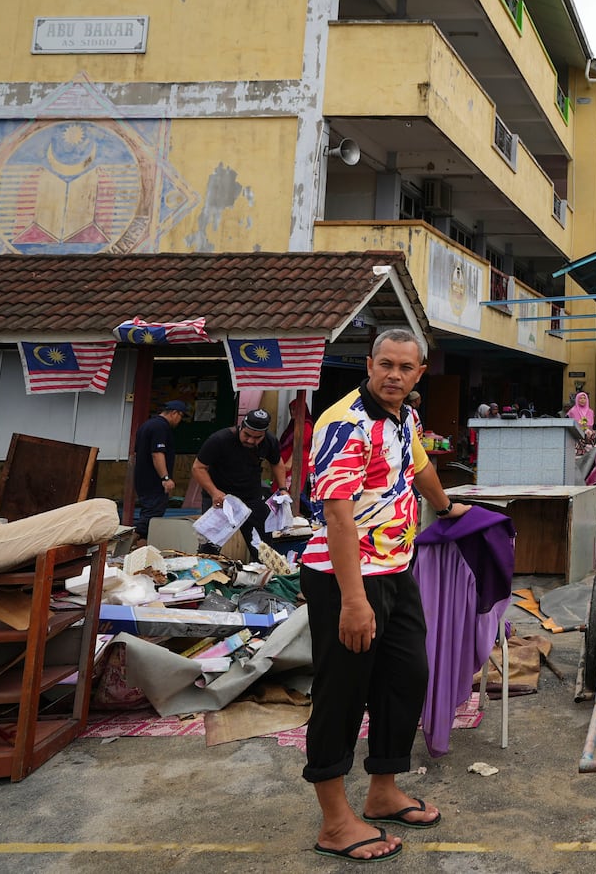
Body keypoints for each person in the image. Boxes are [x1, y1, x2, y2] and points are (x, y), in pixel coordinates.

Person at [300, 329, 469, 863]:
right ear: (369, 364)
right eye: (386, 365)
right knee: (343, 692)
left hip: (396, 568)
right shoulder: (345, 422)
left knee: (406, 678)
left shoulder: (405, 417)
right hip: (343, 577)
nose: (395, 375)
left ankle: (382, 790)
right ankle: (333, 822)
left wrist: (445, 509)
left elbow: (418, 468)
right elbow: (336, 515)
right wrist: (354, 601)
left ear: (420, 373)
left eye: (406, 367)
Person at [191, 409, 288, 546]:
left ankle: (262, 567)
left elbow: (277, 463)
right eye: (247, 435)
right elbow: (198, 468)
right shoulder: (219, 439)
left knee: (263, 545)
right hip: (220, 497)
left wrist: (283, 488)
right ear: (241, 426)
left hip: (251, 496)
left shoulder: (269, 441)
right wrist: (214, 492)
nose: (250, 440)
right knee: (210, 545)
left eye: (257, 438)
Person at [132, 400, 186, 540]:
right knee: (151, 516)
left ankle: (141, 551)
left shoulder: (146, 425)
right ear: (174, 413)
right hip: (154, 481)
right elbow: (157, 453)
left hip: (142, 479)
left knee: (149, 515)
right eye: (181, 416)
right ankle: (127, 543)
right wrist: (165, 478)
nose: (180, 420)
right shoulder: (160, 427)